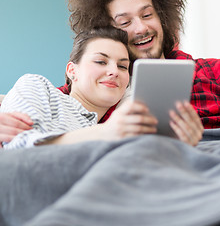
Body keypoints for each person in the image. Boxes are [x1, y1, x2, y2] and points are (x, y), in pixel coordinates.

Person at [0, 0, 220, 145]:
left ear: (163, 17)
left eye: (147, 15)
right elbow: (59, 108)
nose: (141, 28)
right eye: (125, 21)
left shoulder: (215, 71)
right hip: (152, 173)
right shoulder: (106, 89)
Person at [0, 26, 203, 149]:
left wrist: (181, 147)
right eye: (100, 61)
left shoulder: (118, 126)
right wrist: (106, 132)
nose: (114, 71)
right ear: (72, 70)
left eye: (123, 66)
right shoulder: (37, 86)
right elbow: (19, 148)